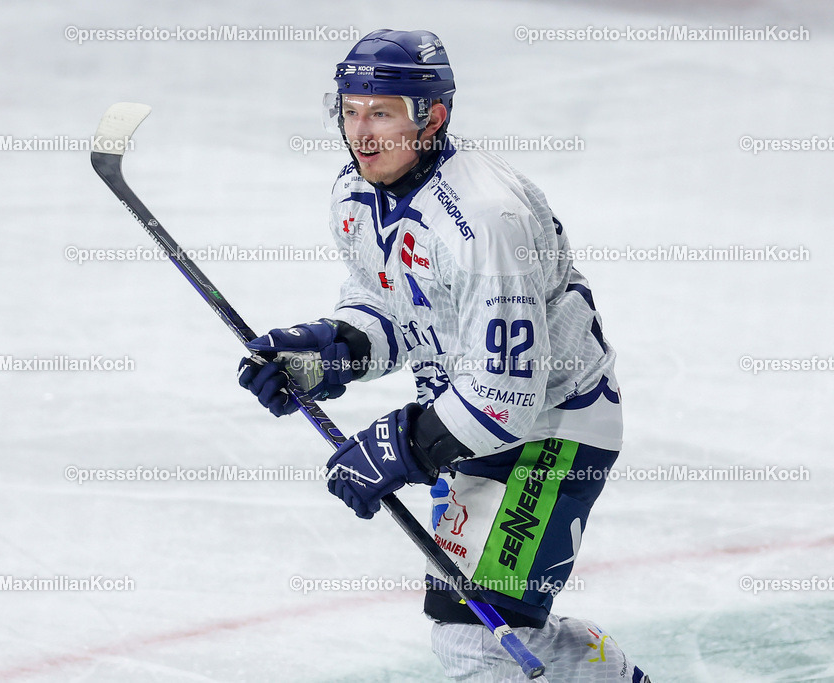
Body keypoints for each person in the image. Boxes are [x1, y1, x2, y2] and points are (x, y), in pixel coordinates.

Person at [238, 29, 651, 682]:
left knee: (480, 640)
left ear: (433, 116)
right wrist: (327, 353)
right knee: (482, 630)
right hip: (473, 424)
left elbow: (509, 393)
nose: (361, 133)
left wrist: (400, 443)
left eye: (381, 113)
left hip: (555, 429)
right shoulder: (357, 194)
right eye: (350, 110)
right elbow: (395, 315)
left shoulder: (485, 220)